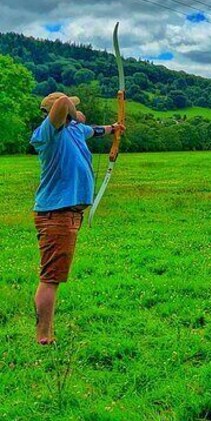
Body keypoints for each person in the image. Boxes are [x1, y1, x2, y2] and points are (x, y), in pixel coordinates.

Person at [30, 92, 124, 345]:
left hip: (67, 215)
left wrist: (113, 128)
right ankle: (43, 338)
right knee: (50, 278)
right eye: (73, 109)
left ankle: (45, 334)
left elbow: (94, 130)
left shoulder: (75, 131)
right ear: (62, 113)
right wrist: (71, 108)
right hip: (56, 215)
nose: (77, 112)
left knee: (54, 276)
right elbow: (61, 105)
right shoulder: (47, 133)